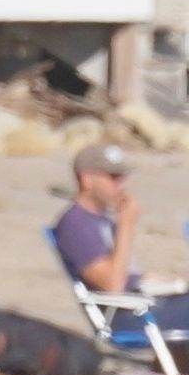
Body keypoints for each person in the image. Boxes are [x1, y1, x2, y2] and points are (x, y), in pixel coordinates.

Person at [53, 142, 189, 344]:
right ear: (87, 180)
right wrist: (126, 224)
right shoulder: (76, 224)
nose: (122, 185)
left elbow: (126, 275)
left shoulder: (100, 220)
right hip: (130, 317)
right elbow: (113, 285)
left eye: (123, 177)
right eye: (113, 178)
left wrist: (170, 281)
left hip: (141, 304)